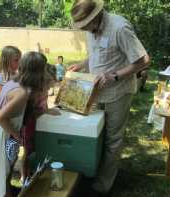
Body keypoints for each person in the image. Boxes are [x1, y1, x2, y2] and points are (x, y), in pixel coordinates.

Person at [69, 0, 150, 194]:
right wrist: (81, 65)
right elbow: (97, 55)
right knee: (95, 134)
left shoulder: (120, 28)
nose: (85, 30)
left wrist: (114, 76)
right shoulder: (92, 30)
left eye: (85, 25)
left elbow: (143, 61)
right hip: (97, 92)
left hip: (118, 93)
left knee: (112, 139)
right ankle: (92, 172)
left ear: (95, 16)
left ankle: (102, 186)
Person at [0, 52, 48, 197]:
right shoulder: (22, 93)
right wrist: (16, 134)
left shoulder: (12, 82)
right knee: (0, 178)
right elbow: (1, 116)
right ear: (38, 72)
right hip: (1, 136)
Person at [20, 63, 61, 181]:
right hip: (29, 125)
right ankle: (24, 175)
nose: (48, 89)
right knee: (27, 151)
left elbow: (44, 107)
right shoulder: (34, 93)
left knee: (36, 148)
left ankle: (33, 170)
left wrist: (48, 111)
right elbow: (32, 111)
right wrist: (46, 113)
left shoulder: (44, 91)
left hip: (39, 125)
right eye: (48, 85)